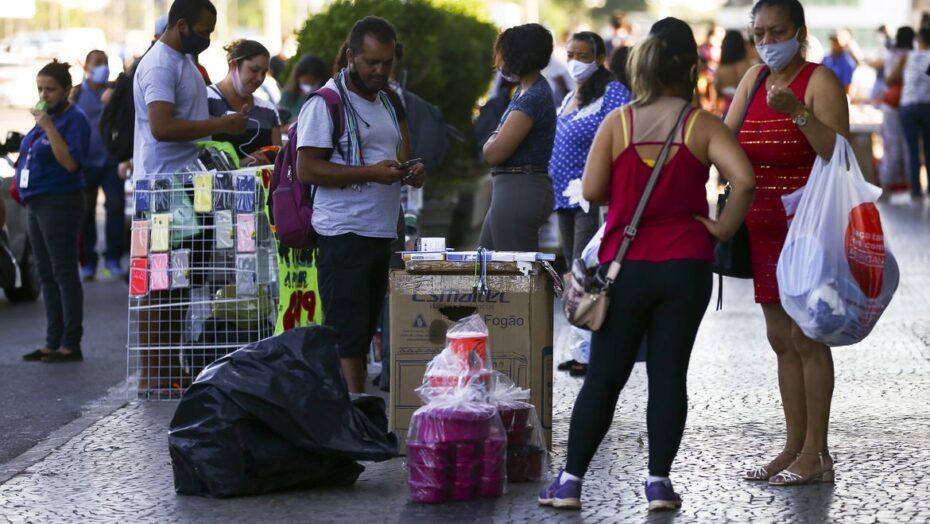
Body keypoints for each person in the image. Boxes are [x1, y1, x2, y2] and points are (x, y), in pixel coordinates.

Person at [539, 17, 755, 512]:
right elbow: (742, 180)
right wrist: (720, 230)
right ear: (691, 68)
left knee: (604, 376)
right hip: (687, 266)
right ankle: (658, 484)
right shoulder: (702, 124)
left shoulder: (620, 123)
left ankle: (570, 483)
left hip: (626, 266)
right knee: (669, 373)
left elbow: (592, 191)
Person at [727, 0, 850, 485]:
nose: (767, 42)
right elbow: (727, 137)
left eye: (777, 32)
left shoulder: (819, 80)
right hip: (761, 225)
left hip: (809, 226)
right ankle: (792, 445)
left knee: (808, 337)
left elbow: (837, 152)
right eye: (759, 33)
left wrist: (798, 112)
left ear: (800, 32)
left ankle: (817, 454)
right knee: (780, 340)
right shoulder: (753, 80)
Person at [295, 16, 425, 394]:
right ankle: (353, 411)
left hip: (379, 229)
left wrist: (410, 170)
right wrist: (370, 172)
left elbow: (397, 155)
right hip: (343, 231)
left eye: (387, 62)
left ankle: (356, 410)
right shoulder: (326, 103)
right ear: (351, 56)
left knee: (366, 327)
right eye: (371, 62)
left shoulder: (386, 100)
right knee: (347, 333)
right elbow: (307, 168)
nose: (379, 70)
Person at [17, 61, 91, 363]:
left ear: (66, 90)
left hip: (60, 200)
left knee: (63, 271)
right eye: (40, 89)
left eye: (50, 89)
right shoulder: (47, 119)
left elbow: (70, 162)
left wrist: (47, 126)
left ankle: (70, 342)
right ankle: (52, 339)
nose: (44, 95)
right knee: (44, 272)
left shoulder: (74, 119)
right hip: (36, 200)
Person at [133, 0, 246, 180]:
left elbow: (190, 116)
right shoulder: (160, 66)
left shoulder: (184, 60)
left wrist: (228, 121)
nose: (207, 39)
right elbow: (162, 128)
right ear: (182, 25)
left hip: (189, 180)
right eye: (203, 32)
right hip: (164, 184)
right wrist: (222, 124)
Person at [551, 32, 631, 266]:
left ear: (599, 58)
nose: (574, 61)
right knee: (571, 265)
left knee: (584, 266)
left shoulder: (613, 93)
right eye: (570, 55)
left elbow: (623, 139)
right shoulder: (569, 96)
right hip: (563, 196)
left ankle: (586, 305)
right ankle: (575, 304)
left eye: (583, 56)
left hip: (592, 197)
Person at [480, 23, 556, 252]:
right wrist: (495, 137)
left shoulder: (532, 97)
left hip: (519, 188)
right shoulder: (525, 90)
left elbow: (494, 152)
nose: (498, 62)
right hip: (511, 187)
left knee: (513, 277)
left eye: (501, 54)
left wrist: (491, 140)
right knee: (488, 268)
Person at [72, 50, 125, 281]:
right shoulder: (75, 94)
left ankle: (112, 259)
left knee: (115, 208)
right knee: (85, 213)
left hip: (111, 161)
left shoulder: (113, 91)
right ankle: (88, 263)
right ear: (87, 67)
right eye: (98, 64)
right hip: (85, 163)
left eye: (106, 63)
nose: (103, 67)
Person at [206, 39, 282, 165]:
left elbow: (279, 162)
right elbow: (198, 157)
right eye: (254, 70)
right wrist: (242, 164)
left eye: (264, 73)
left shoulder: (268, 110)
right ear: (234, 65)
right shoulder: (205, 99)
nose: (260, 78)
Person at [890, 28, 930, 200]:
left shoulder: (907, 56)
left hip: (908, 107)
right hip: (927, 105)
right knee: (928, 148)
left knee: (912, 149)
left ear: (918, 40)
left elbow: (890, 80)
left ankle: (915, 191)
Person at [877, 26, 915, 197]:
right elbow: (890, 79)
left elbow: (889, 80)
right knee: (900, 147)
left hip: (896, 104)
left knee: (899, 147)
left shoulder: (896, 54)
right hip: (899, 105)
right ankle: (891, 187)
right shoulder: (902, 56)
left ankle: (904, 187)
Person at [279, 54, 330, 125]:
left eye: (313, 84)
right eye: (305, 83)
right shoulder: (288, 95)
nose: (309, 88)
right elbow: (276, 126)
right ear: (297, 78)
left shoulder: (325, 100)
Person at [715, 30, 755, 115]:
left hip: (728, 114)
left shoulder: (720, 71)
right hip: (749, 112)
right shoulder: (751, 68)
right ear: (742, 45)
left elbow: (717, 94)